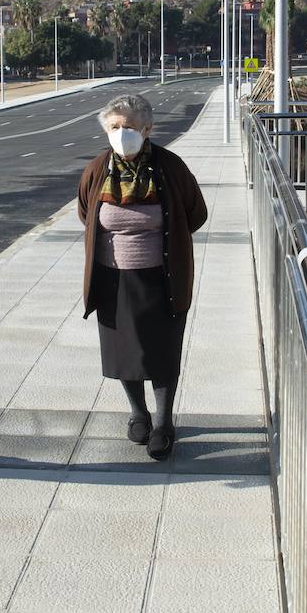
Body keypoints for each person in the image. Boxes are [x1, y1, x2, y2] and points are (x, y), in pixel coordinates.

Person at [77, 94, 206, 459]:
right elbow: (87, 214)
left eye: (129, 127)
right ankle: (138, 413)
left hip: (163, 277)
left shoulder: (171, 167)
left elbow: (196, 213)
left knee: (162, 352)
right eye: (115, 127)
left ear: (147, 129)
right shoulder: (96, 169)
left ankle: (164, 423)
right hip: (112, 278)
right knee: (124, 353)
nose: (122, 134)